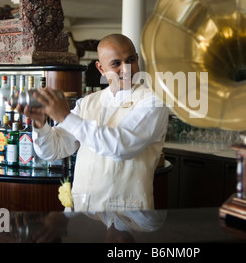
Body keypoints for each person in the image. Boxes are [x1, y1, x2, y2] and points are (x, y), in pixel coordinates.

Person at [17, 33, 169, 212]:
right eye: (116, 64)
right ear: (101, 68)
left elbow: (120, 146)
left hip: (125, 219)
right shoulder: (87, 102)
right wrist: (41, 124)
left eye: (131, 60)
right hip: (82, 215)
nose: (126, 69)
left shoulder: (153, 102)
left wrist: (65, 117)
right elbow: (54, 150)